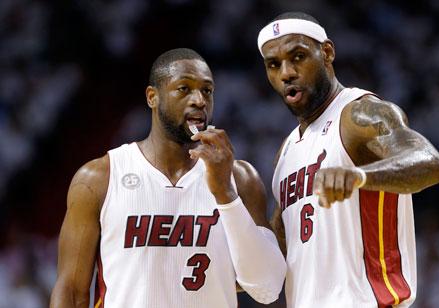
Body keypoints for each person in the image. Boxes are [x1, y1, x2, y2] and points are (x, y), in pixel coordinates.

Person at [50, 48, 286, 308]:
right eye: (184, 89)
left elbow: (268, 287)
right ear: (153, 97)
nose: (199, 100)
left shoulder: (240, 179)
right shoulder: (99, 178)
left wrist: (225, 194)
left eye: (207, 91)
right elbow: (71, 292)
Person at [257, 12, 439, 308]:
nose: (287, 73)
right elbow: (278, 256)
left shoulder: (360, 112)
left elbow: (429, 162)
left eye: (298, 57)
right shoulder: (286, 150)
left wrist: (359, 176)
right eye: (274, 64)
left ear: (327, 52)